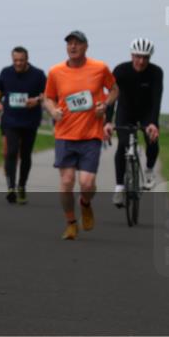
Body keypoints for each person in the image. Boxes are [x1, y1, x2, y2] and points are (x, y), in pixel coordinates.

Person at [43, 31, 118, 241]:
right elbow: (48, 98)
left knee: (86, 183)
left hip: (91, 135)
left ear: (86, 47)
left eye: (77, 43)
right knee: (66, 182)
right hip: (65, 135)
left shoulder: (99, 68)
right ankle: (71, 223)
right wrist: (52, 110)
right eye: (69, 44)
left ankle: (85, 204)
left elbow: (114, 89)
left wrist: (106, 104)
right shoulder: (56, 72)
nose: (73, 47)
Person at [105, 37, 164, 205]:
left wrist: (153, 123)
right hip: (126, 111)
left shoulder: (156, 72)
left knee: (152, 138)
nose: (141, 61)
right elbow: (111, 98)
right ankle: (119, 188)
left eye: (145, 57)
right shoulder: (120, 70)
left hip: (147, 113)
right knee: (123, 145)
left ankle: (149, 170)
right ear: (132, 55)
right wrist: (108, 121)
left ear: (150, 57)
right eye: (138, 56)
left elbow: (156, 99)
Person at [0, 46, 48, 204]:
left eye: (21, 60)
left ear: (27, 59)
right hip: (10, 119)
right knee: (11, 151)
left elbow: (46, 94)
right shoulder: (6, 72)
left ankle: (22, 185)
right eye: (15, 60)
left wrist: (36, 100)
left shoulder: (38, 74)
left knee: (25, 155)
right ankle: (11, 187)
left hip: (30, 120)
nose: (18, 63)